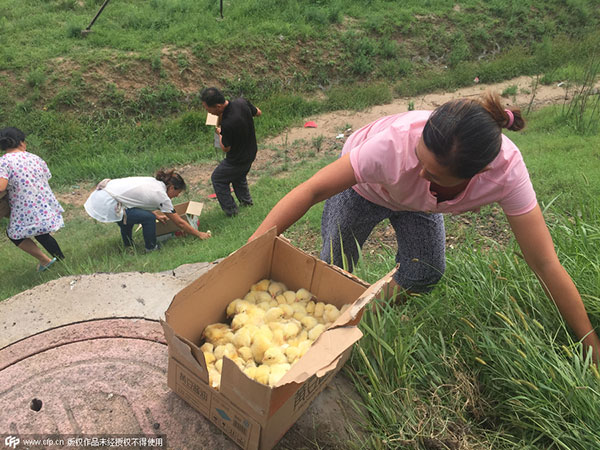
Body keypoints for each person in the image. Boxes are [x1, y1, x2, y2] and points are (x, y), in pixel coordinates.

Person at [250, 91, 600, 362]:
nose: (418, 172)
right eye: (420, 158)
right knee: (333, 271)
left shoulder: (507, 173)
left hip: (421, 202)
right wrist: (249, 253)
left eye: (432, 172)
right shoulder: (393, 148)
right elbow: (310, 189)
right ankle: (322, 327)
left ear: (476, 176)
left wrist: (590, 345)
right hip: (364, 189)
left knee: (426, 270)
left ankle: (351, 317)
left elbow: (545, 262)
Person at [84, 169, 211, 252]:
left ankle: (129, 246)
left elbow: (136, 202)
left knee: (130, 217)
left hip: (104, 196)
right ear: (171, 187)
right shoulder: (161, 195)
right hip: (108, 203)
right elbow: (180, 222)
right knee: (146, 219)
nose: (176, 196)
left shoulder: (154, 182)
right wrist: (200, 234)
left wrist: (156, 215)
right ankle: (151, 248)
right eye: (177, 193)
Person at [0, 127, 65, 272]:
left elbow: (1, 186)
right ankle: (61, 260)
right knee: (42, 233)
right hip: (42, 203)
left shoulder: (3, 162)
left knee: (14, 234)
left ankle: (45, 260)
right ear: (21, 143)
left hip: (24, 207)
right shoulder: (35, 158)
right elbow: (46, 176)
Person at [200, 87, 262, 217]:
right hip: (251, 151)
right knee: (238, 177)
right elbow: (258, 112)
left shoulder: (228, 124)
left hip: (237, 159)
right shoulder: (241, 102)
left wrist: (219, 133)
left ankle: (232, 211)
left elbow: (225, 148)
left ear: (218, 106)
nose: (208, 112)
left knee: (218, 178)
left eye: (208, 109)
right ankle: (246, 203)